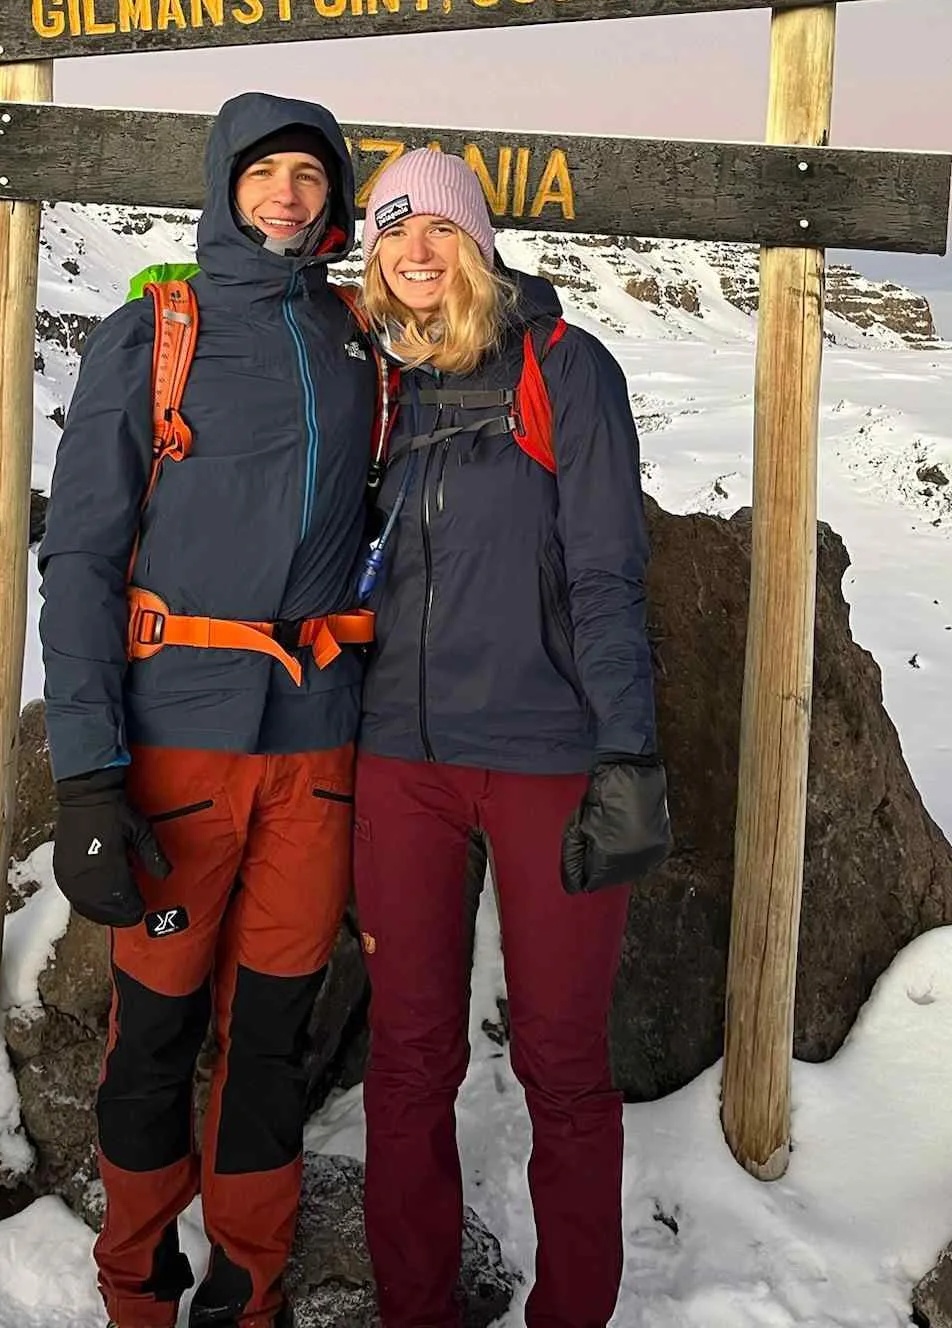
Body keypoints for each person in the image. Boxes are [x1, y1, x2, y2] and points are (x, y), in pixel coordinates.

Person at [39, 92, 378, 1328]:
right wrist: (86, 774)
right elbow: (77, 556)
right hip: (178, 738)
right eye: (264, 171)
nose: (287, 192)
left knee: (275, 1035)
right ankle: (137, 1289)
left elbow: (463, 356)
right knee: (156, 1036)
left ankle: (251, 1291)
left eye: (309, 173)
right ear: (223, 186)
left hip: (316, 749)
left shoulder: (357, 337)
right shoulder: (153, 331)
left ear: (335, 199)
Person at [353, 149, 670, 1328]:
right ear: (375, 256)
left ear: (478, 244)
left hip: (545, 754)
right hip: (398, 756)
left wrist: (626, 754)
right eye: (395, 235)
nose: (418, 252)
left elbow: (604, 570)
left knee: (564, 1065)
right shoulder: (380, 385)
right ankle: (414, 1308)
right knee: (408, 1058)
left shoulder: (568, 369)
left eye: (438, 230)